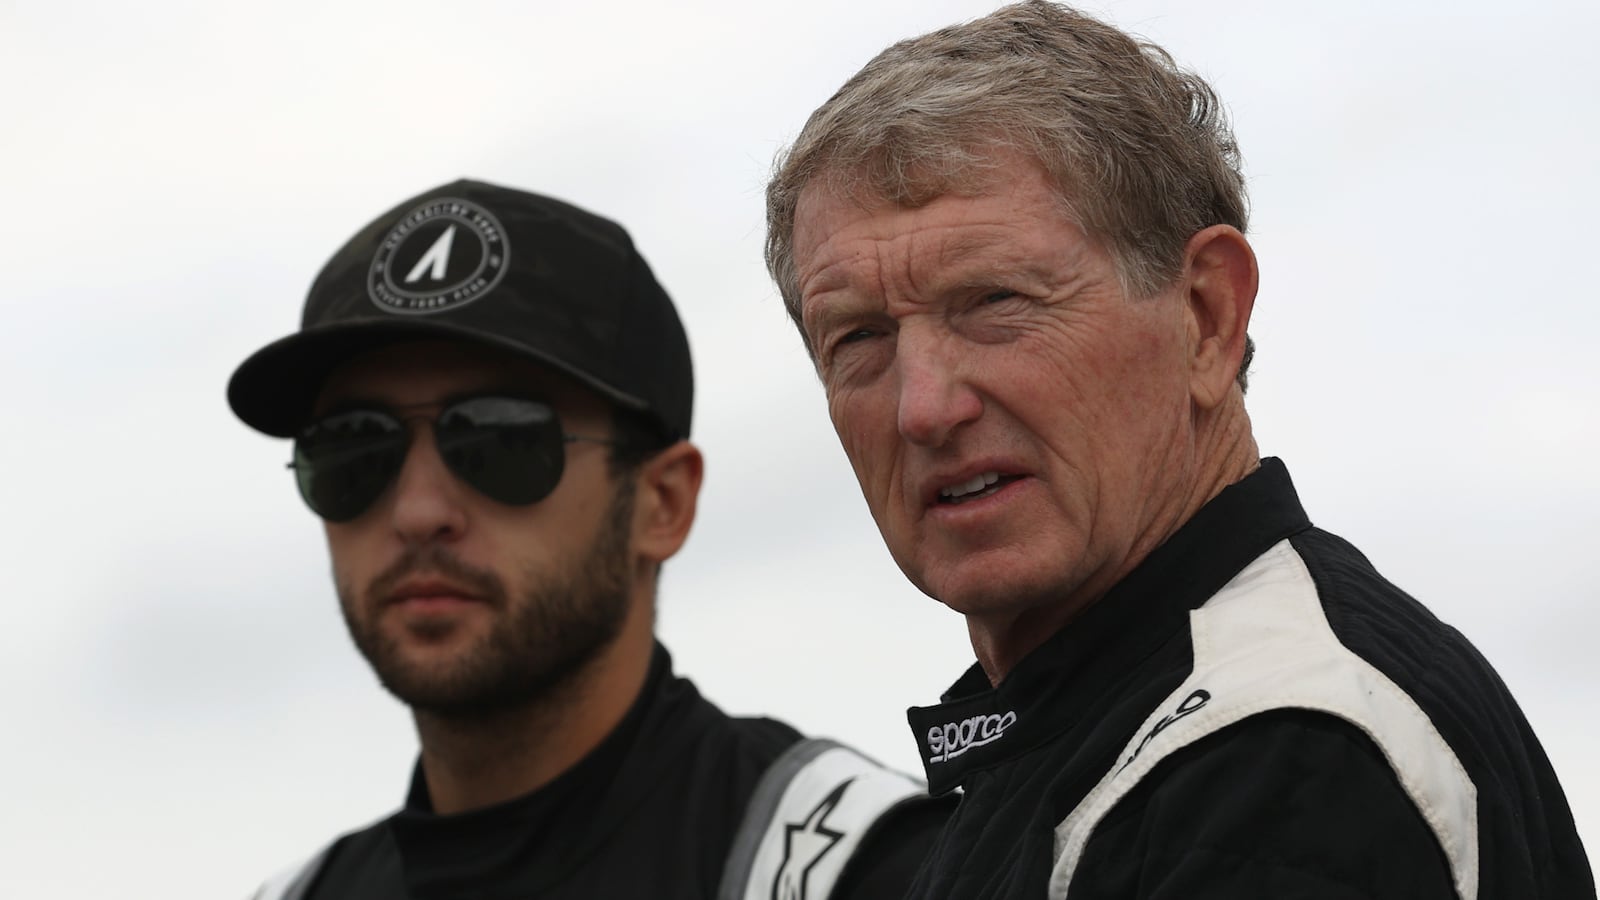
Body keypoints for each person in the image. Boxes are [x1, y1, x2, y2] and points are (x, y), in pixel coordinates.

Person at [763, 3, 1595, 898]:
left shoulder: (1282, 757)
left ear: (1207, 316)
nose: (924, 407)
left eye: (996, 301)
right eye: (857, 339)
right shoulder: (1099, 732)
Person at [229, 179, 949, 899]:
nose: (416, 511)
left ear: (661, 502)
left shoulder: (868, 869)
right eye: (354, 451)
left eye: (497, 438)